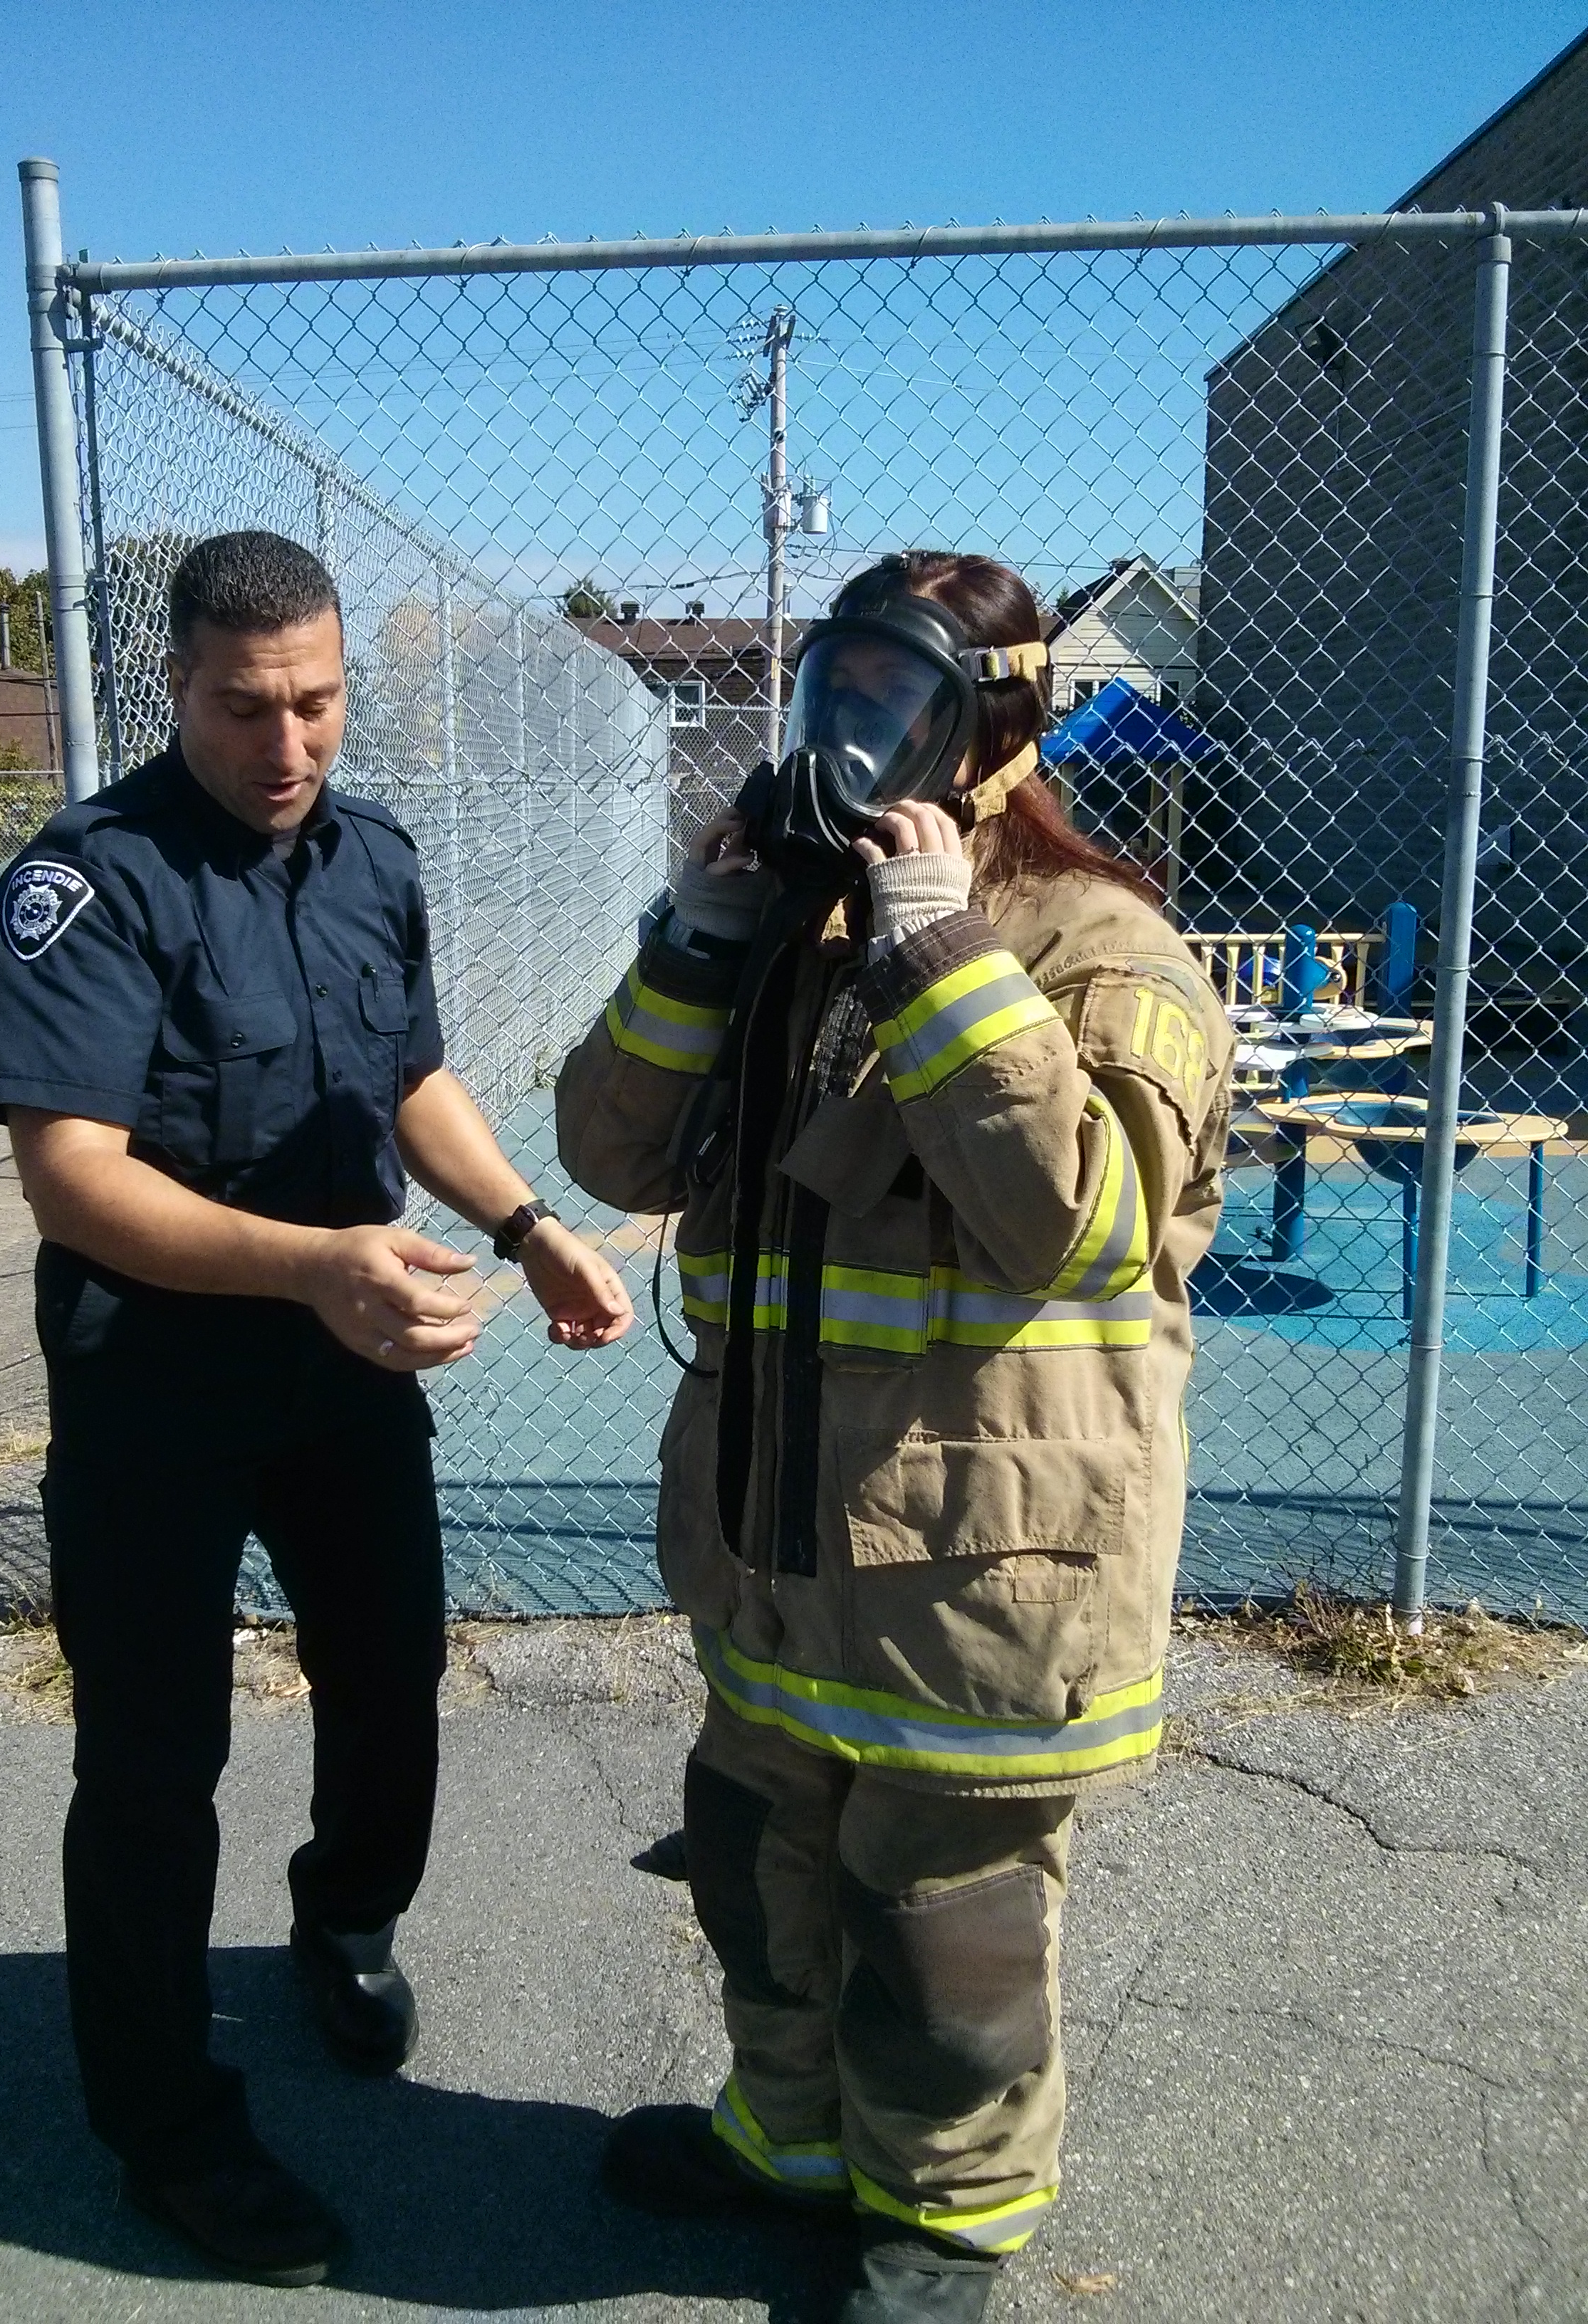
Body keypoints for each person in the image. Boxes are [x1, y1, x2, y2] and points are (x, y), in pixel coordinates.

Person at [556, 552, 1233, 2323]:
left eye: (893, 703)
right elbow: (615, 1158)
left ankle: (944, 2226)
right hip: (779, 1549)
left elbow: (1079, 1223)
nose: (846, 742)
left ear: (990, 730)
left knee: (943, 1930)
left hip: (978, 1571)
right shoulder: (789, 932)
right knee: (758, 1868)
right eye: (832, 696)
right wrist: (700, 942)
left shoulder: (1106, 955)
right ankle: (787, 2148)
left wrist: (941, 955)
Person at [0, 530, 632, 2288]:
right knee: (150, 1766)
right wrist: (313, 1267)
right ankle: (164, 2128)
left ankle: (341, 1918)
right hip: (155, 1391)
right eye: (249, 706)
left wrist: (527, 1223)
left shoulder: (372, 858)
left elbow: (408, 1071)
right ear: (174, 687)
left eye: (320, 702)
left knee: (393, 1675)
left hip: (345, 1369)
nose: (290, 743)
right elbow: (73, 1180)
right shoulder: (89, 882)